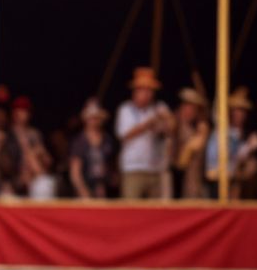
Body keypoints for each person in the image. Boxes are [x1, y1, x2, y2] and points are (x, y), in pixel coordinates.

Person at [115, 67, 172, 201]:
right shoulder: (125, 109)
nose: (148, 94)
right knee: (131, 210)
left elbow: (171, 129)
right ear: (135, 91)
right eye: (144, 90)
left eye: (150, 90)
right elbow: (124, 135)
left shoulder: (158, 108)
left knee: (155, 212)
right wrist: (149, 123)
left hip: (155, 169)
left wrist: (167, 119)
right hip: (133, 169)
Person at [204, 88, 257, 199]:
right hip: (221, 181)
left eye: (242, 110)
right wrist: (248, 147)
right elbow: (226, 157)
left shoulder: (244, 133)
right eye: (235, 110)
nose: (238, 114)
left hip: (238, 183)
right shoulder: (222, 132)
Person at [5, 96, 55, 200]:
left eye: (24, 111)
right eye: (18, 110)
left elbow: (48, 160)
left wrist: (39, 153)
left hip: (35, 178)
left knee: (45, 184)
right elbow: (5, 163)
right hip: (14, 180)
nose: (21, 114)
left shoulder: (35, 134)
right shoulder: (7, 135)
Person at [67, 99, 114, 199]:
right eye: (91, 117)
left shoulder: (107, 139)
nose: (94, 120)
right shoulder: (79, 141)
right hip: (85, 189)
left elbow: (111, 164)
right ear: (86, 119)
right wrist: (84, 192)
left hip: (103, 189)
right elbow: (75, 173)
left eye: (96, 117)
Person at [170, 88, 209, 201]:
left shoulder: (199, 127)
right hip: (178, 177)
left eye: (193, 108)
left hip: (197, 178)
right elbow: (181, 162)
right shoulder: (175, 124)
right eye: (186, 106)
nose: (189, 111)